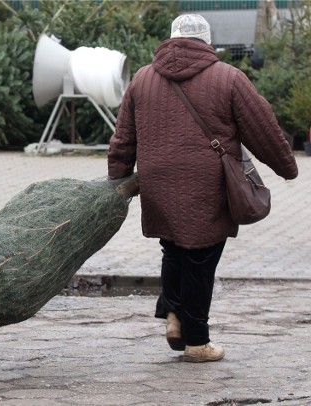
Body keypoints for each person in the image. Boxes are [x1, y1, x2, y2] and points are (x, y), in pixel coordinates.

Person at [107, 14, 298, 363]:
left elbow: (123, 138)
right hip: (206, 183)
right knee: (201, 256)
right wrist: (286, 167)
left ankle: (174, 315)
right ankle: (197, 341)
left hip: (158, 181)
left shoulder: (142, 79)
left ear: (171, 40)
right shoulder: (229, 78)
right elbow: (263, 128)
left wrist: (116, 180)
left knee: (173, 248)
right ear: (207, 43)